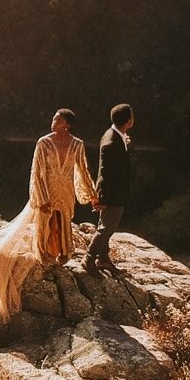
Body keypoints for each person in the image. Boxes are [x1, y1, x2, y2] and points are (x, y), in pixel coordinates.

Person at [0, 108, 98, 323]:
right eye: (53, 118)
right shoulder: (43, 143)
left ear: (67, 124)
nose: (53, 122)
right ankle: (44, 254)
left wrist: (92, 195)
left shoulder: (77, 144)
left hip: (66, 190)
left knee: (63, 222)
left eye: (57, 119)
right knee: (44, 223)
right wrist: (41, 198)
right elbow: (37, 171)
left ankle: (62, 253)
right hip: (48, 189)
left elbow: (83, 170)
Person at [82, 103, 134, 274]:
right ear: (129, 120)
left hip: (113, 192)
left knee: (104, 227)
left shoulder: (115, 135)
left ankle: (103, 259)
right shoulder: (112, 142)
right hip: (111, 194)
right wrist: (102, 199)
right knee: (106, 229)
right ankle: (88, 258)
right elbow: (105, 173)